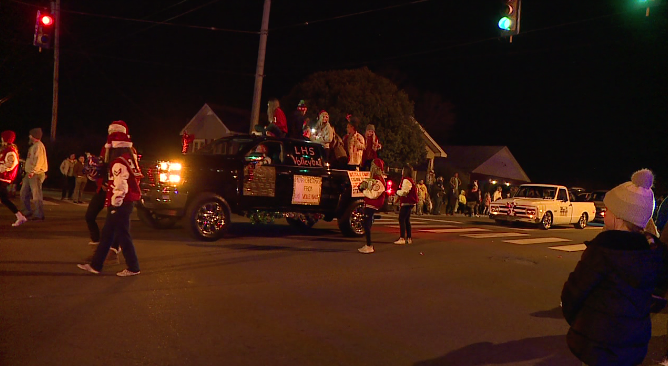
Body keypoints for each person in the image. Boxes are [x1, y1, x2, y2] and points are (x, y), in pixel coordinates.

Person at [561, 169, 668, 366]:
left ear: (619, 216)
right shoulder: (653, 251)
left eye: (608, 209)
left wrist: (578, 321)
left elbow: (575, 291)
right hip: (634, 342)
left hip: (598, 341)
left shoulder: (603, 248)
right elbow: (659, 292)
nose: (604, 212)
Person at [78, 125, 143, 277]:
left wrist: (115, 204)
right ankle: (96, 265)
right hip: (125, 202)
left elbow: (120, 186)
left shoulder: (118, 162)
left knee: (123, 236)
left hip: (121, 203)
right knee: (107, 235)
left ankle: (133, 267)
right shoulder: (129, 158)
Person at [357, 158, 386, 254]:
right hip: (370, 204)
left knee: (366, 224)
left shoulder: (379, 181)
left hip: (372, 204)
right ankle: (368, 244)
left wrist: (363, 191)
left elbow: (374, 194)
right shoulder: (374, 179)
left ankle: (369, 245)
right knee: (366, 224)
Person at [0, 130, 28, 226]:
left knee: (4, 199)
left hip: (3, 178)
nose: (1, 140)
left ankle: (20, 217)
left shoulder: (10, 151)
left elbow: (9, 165)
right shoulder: (7, 150)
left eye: (2, 138)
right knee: (4, 199)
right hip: (3, 178)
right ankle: (20, 217)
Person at [20, 128, 48, 221]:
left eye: (30, 135)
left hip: (35, 174)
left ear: (34, 136)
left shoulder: (38, 146)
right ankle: (27, 211)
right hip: (30, 173)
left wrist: (33, 171)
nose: (29, 136)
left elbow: (38, 160)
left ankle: (39, 214)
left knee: (36, 195)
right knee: (24, 193)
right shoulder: (34, 146)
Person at [394, 165, 418, 245]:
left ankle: (402, 238)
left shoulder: (406, 181)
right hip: (409, 202)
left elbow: (404, 192)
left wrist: (397, 192)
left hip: (407, 202)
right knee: (406, 220)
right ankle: (409, 237)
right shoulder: (410, 180)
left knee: (401, 219)